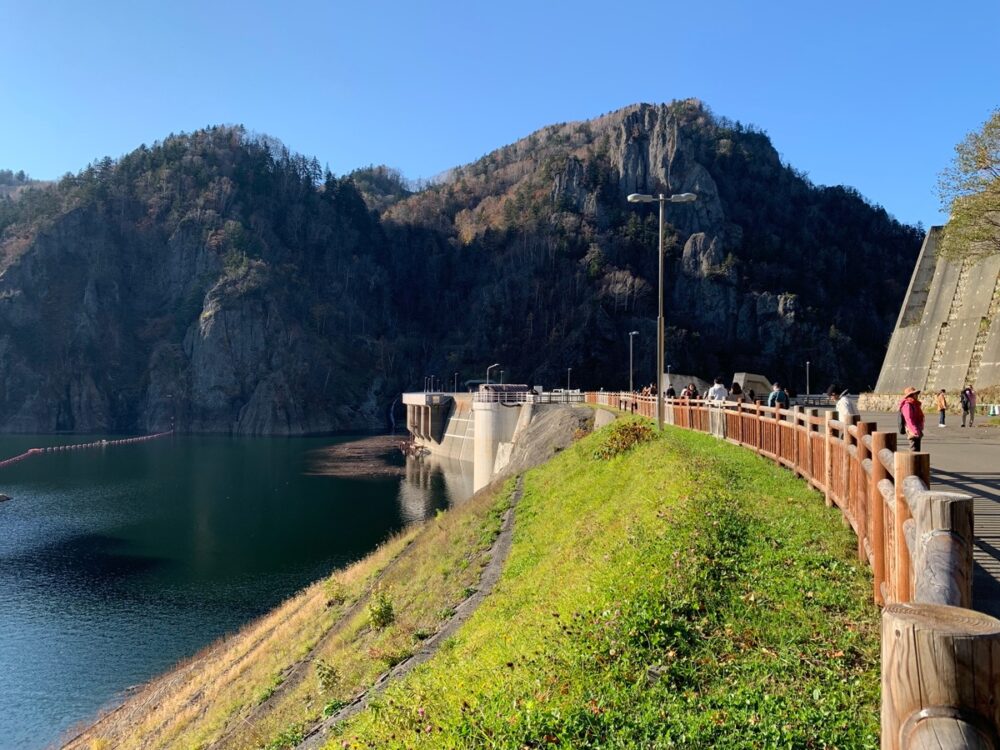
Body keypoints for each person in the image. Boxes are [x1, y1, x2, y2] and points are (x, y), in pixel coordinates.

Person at [900, 386, 925, 452]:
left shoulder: (914, 404)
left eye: (917, 393)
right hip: (912, 429)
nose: (917, 395)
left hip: (916, 428)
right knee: (914, 450)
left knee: (917, 450)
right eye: (915, 393)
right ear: (911, 395)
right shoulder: (907, 405)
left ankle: (916, 462)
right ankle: (913, 462)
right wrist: (915, 430)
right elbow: (909, 419)